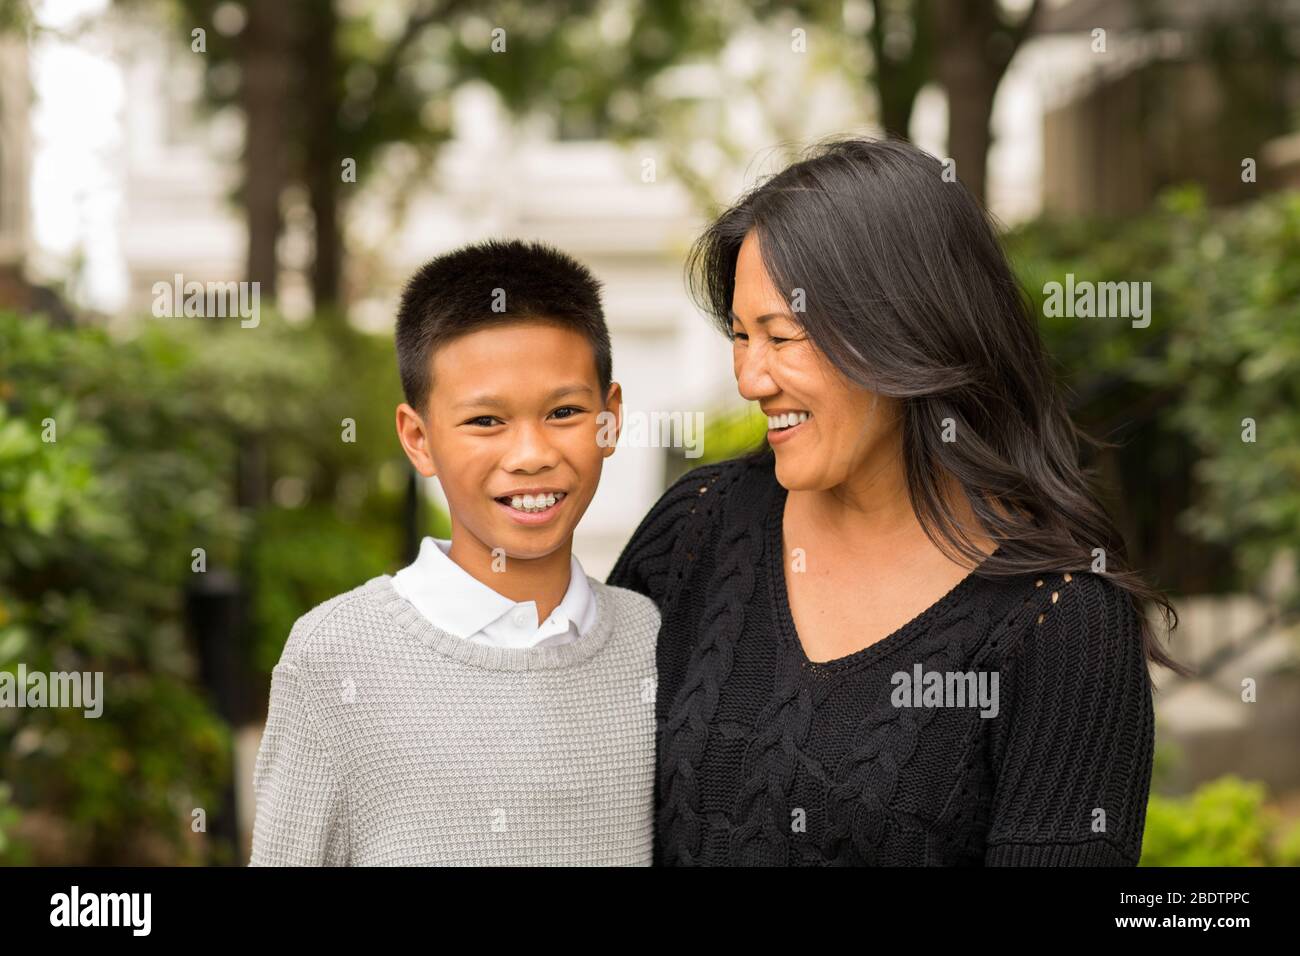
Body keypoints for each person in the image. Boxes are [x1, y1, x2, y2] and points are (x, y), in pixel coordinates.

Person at [607, 138, 1186, 866]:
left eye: (782, 336)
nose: (752, 377)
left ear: (903, 331)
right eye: (741, 336)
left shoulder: (1059, 624)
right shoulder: (696, 527)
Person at [251, 239, 658, 865]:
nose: (530, 455)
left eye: (565, 411)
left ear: (610, 420)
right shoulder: (335, 659)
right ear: (418, 439)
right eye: (486, 422)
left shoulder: (654, 642)